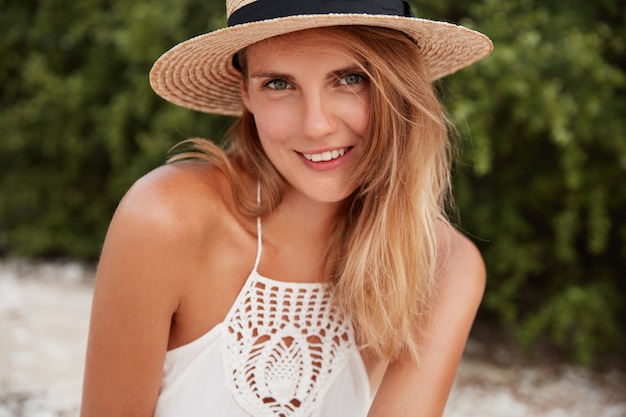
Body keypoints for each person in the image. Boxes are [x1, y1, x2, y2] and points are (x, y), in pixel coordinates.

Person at [80, 1, 493, 416]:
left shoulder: (444, 265)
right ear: (247, 93)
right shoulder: (166, 220)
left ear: (399, 85)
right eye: (279, 84)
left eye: (350, 78)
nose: (316, 125)